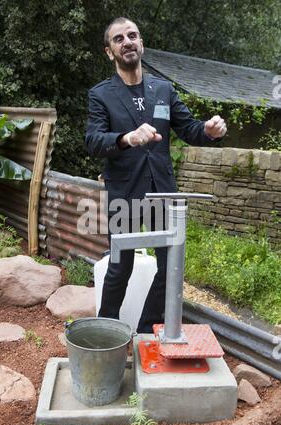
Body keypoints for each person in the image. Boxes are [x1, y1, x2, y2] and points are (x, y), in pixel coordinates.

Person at [85, 17, 227, 333]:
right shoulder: (101, 95)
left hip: (163, 193)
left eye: (132, 35)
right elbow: (93, 141)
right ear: (110, 52)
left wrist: (208, 130)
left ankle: (146, 330)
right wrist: (126, 138)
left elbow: (189, 129)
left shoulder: (162, 89)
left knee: (170, 266)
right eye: (119, 38)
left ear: (141, 43)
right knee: (120, 266)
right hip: (125, 193)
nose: (127, 42)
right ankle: (105, 331)